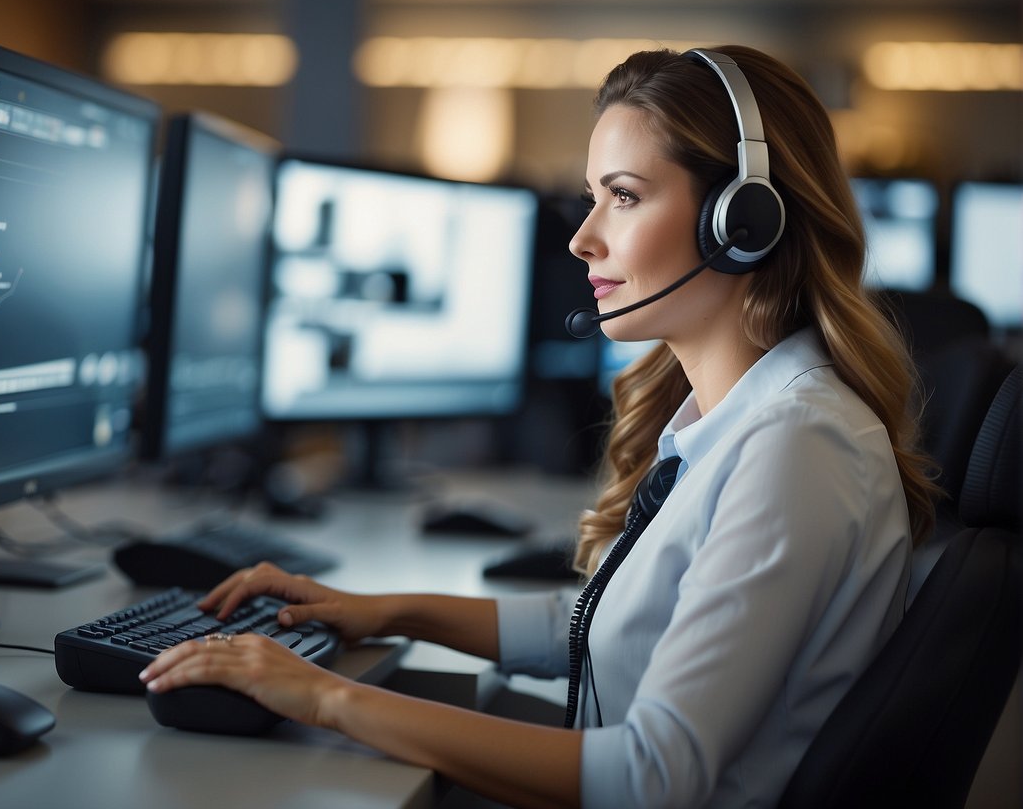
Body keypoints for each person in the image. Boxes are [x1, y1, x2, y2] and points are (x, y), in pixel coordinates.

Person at [139, 45, 940, 808]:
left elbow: (652, 778)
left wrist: (324, 696)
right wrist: (382, 610)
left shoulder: (798, 447)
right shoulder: (739, 421)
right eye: (592, 197)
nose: (581, 237)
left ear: (742, 220)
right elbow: (608, 623)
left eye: (622, 196)